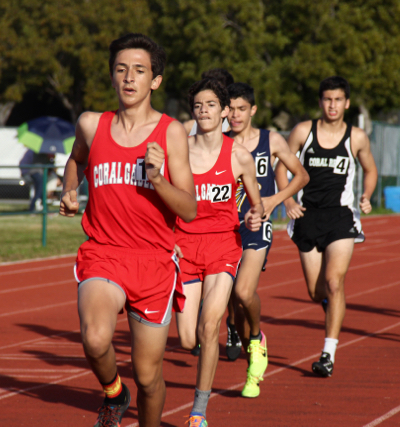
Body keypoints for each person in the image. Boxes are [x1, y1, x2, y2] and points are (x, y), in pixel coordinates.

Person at [59, 33, 197, 427]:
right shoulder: (91, 123)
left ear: (155, 80)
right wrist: (70, 190)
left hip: (154, 262)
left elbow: (188, 208)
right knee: (96, 338)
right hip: (104, 251)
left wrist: (157, 179)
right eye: (121, 70)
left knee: (150, 376)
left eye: (139, 70)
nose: (129, 78)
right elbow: (76, 160)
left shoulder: (170, 132)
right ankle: (115, 393)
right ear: (112, 76)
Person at [276, 76, 377, 377]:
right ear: (320, 102)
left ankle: (328, 354)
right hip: (307, 216)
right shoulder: (303, 131)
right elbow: (282, 167)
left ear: (346, 103)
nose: (332, 105)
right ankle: (330, 303)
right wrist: (288, 201)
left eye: (338, 100)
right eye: (327, 99)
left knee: (334, 282)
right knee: (314, 290)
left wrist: (367, 195)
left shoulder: (356, 137)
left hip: (341, 216)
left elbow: (370, 170)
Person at [174, 78, 262, 426]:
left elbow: (255, 205)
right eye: (198, 105)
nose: (204, 111)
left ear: (224, 111)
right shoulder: (178, 151)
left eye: (211, 104)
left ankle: (199, 411)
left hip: (223, 246)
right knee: (186, 338)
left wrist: (255, 217)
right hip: (185, 246)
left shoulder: (239, 156)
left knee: (209, 327)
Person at [223, 82, 309, 397]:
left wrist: (276, 201)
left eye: (241, 109)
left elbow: (301, 175)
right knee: (234, 305)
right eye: (230, 109)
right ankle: (252, 352)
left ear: (253, 110)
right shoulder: (218, 143)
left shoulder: (269, 140)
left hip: (256, 224)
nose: (234, 115)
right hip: (223, 228)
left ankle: (258, 340)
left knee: (245, 291)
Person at [183, 68, 234, 136]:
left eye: (211, 105)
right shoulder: (188, 127)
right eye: (197, 106)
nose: (203, 110)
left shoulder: (233, 130)